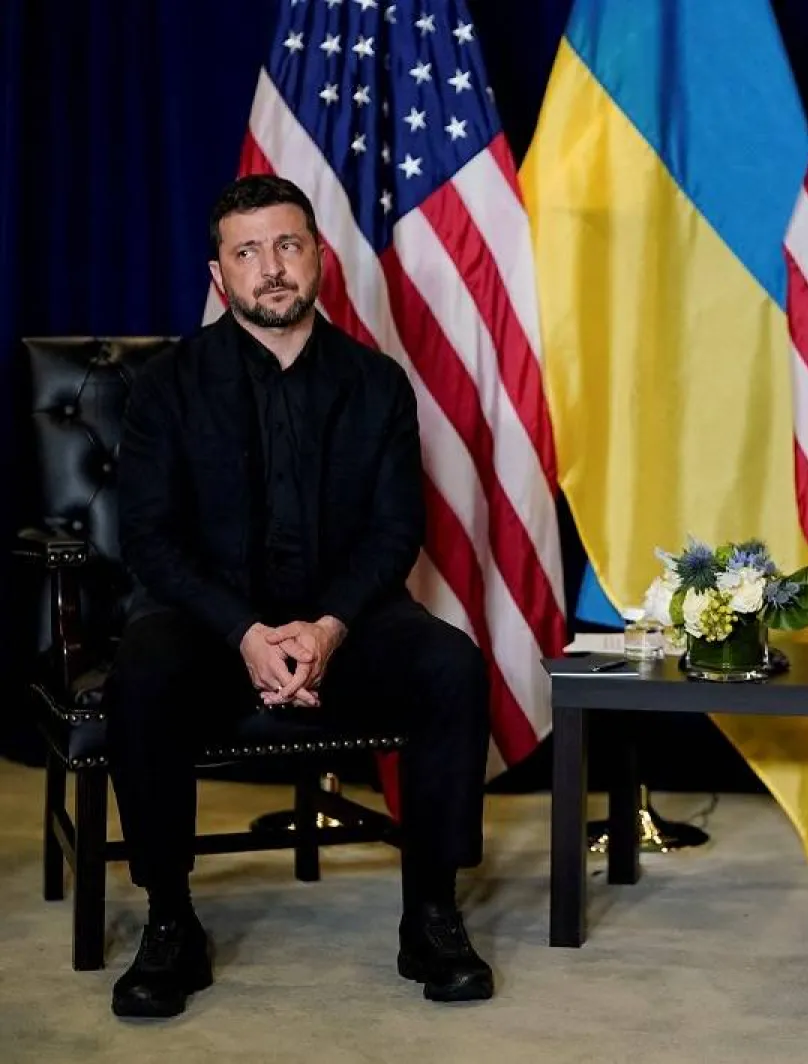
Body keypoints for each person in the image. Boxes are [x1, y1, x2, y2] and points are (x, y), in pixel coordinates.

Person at [105, 175, 494, 1018]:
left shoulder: (377, 383)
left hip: (344, 626)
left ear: (318, 256)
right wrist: (246, 632)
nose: (270, 268)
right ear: (220, 277)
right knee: (142, 667)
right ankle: (170, 920)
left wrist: (324, 629)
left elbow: (396, 532)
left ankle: (430, 913)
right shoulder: (166, 386)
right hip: (210, 630)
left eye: (287, 246)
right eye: (247, 252)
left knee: (451, 665)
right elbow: (150, 542)